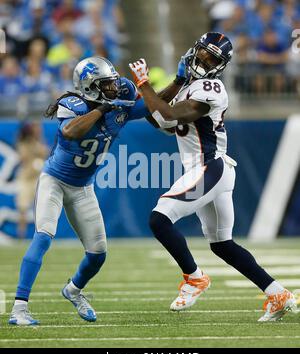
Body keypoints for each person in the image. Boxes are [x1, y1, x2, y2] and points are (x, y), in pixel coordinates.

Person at [129, 32, 298, 322]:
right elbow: (156, 118)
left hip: (209, 168)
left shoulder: (212, 87)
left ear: (220, 66)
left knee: (159, 219)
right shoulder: (188, 87)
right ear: (194, 50)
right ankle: (278, 293)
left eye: (212, 58)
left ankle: (194, 278)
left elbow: (167, 113)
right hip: (211, 171)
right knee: (222, 245)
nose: (204, 61)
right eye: (203, 53)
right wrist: (178, 81)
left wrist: (144, 84)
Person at [8, 54, 188, 326]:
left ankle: (74, 290)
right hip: (54, 180)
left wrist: (179, 80)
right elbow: (70, 131)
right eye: (107, 84)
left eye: (114, 83)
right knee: (43, 237)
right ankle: (19, 308)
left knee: (98, 254)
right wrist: (104, 108)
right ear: (91, 86)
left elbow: (153, 106)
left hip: (83, 187)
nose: (114, 88)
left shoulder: (118, 100)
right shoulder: (72, 104)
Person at [15, 122, 48, 238]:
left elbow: (44, 152)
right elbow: (22, 157)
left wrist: (37, 141)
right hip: (26, 179)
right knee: (23, 207)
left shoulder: (39, 142)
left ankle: (41, 234)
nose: (38, 130)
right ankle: (21, 234)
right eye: (36, 129)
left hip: (38, 179)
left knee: (41, 207)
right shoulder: (23, 143)